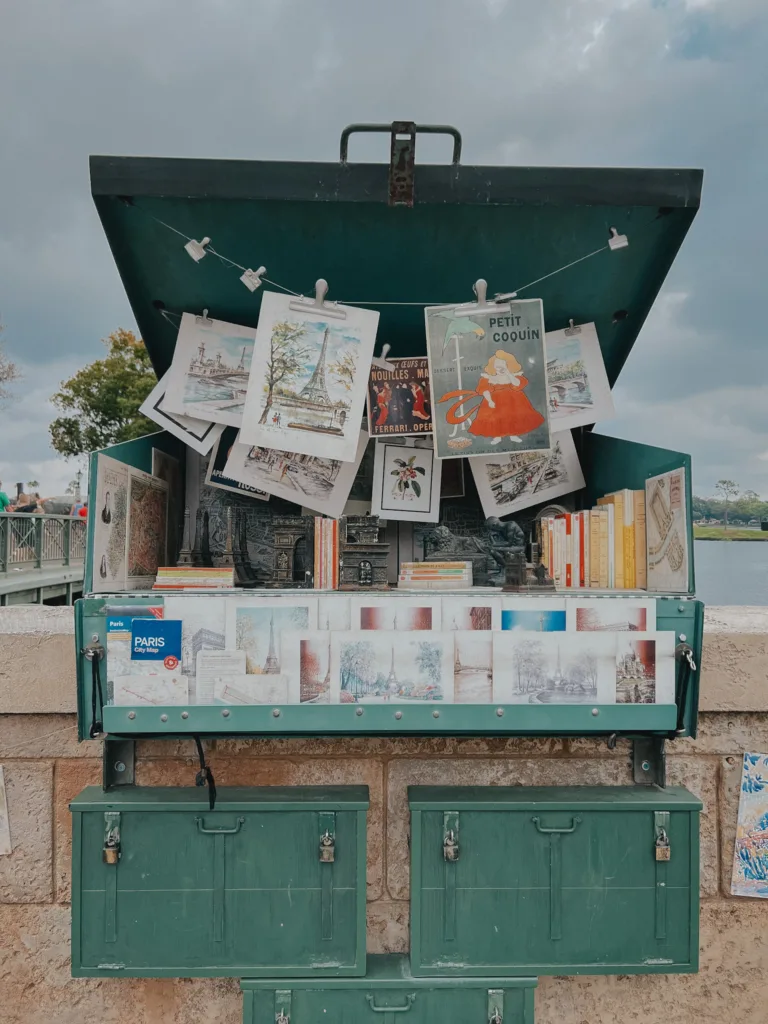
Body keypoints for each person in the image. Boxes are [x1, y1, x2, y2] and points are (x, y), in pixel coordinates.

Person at [439, 349, 545, 445]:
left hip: (514, 400)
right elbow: (485, 390)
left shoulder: (515, 376)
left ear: (509, 365)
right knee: (495, 418)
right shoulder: (488, 378)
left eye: (503, 365)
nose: (500, 368)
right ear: (493, 366)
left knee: (513, 417)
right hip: (495, 400)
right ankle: (497, 436)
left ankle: (513, 435)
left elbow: (517, 385)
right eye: (497, 365)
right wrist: (489, 401)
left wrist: (508, 373)